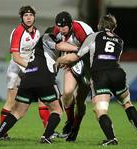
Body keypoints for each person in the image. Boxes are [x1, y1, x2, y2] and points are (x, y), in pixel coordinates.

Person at [57, 14, 137, 145]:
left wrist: (60, 60)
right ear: (114, 27)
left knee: (100, 110)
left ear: (99, 26)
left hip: (100, 75)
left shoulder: (93, 36)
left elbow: (77, 56)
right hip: (117, 73)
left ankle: (112, 138)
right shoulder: (120, 40)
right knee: (127, 104)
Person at [0, 5, 51, 139]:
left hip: (30, 68)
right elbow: (16, 57)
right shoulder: (18, 31)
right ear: (22, 17)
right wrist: (32, 68)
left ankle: (48, 133)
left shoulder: (37, 32)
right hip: (17, 69)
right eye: (26, 15)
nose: (28, 18)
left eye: (31, 15)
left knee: (42, 99)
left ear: (34, 17)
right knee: (11, 102)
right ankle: (2, 133)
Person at [53, 11, 94, 141]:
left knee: (80, 100)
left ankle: (75, 129)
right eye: (59, 27)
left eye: (64, 27)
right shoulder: (57, 30)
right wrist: (66, 57)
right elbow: (55, 44)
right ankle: (70, 123)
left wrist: (67, 57)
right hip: (74, 59)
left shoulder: (80, 30)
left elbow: (89, 50)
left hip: (88, 63)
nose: (61, 30)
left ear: (71, 24)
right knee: (67, 92)